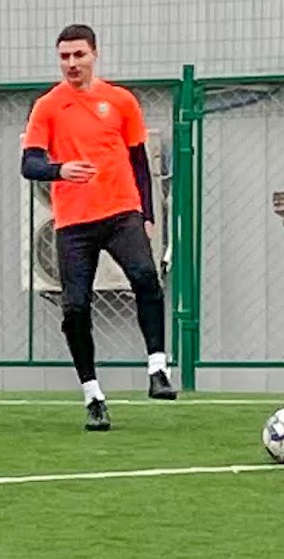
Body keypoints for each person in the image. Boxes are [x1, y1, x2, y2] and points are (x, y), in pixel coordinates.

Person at [20, 24, 177, 432]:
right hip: (73, 223)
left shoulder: (120, 101)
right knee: (74, 309)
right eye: (64, 57)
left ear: (95, 55)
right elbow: (29, 164)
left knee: (146, 276)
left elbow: (138, 159)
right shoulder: (48, 106)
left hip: (121, 211)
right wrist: (60, 169)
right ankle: (93, 396)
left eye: (79, 55)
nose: (71, 63)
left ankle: (157, 369)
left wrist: (146, 214)